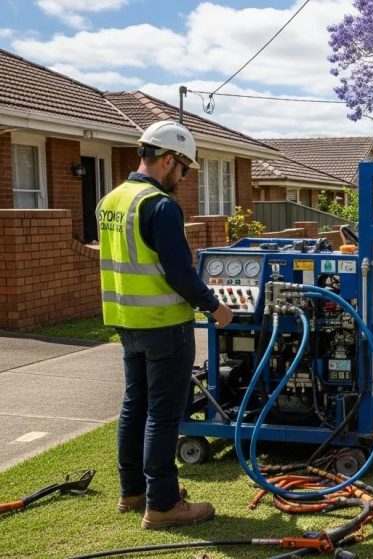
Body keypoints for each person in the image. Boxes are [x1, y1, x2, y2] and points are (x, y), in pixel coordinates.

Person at [97, 120, 233, 529]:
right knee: (163, 413)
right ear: (168, 160)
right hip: (165, 324)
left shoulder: (111, 200)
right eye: (185, 169)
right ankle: (163, 504)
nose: (185, 177)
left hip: (126, 322)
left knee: (133, 407)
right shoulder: (159, 205)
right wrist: (215, 308)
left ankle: (133, 491)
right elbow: (179, 272)